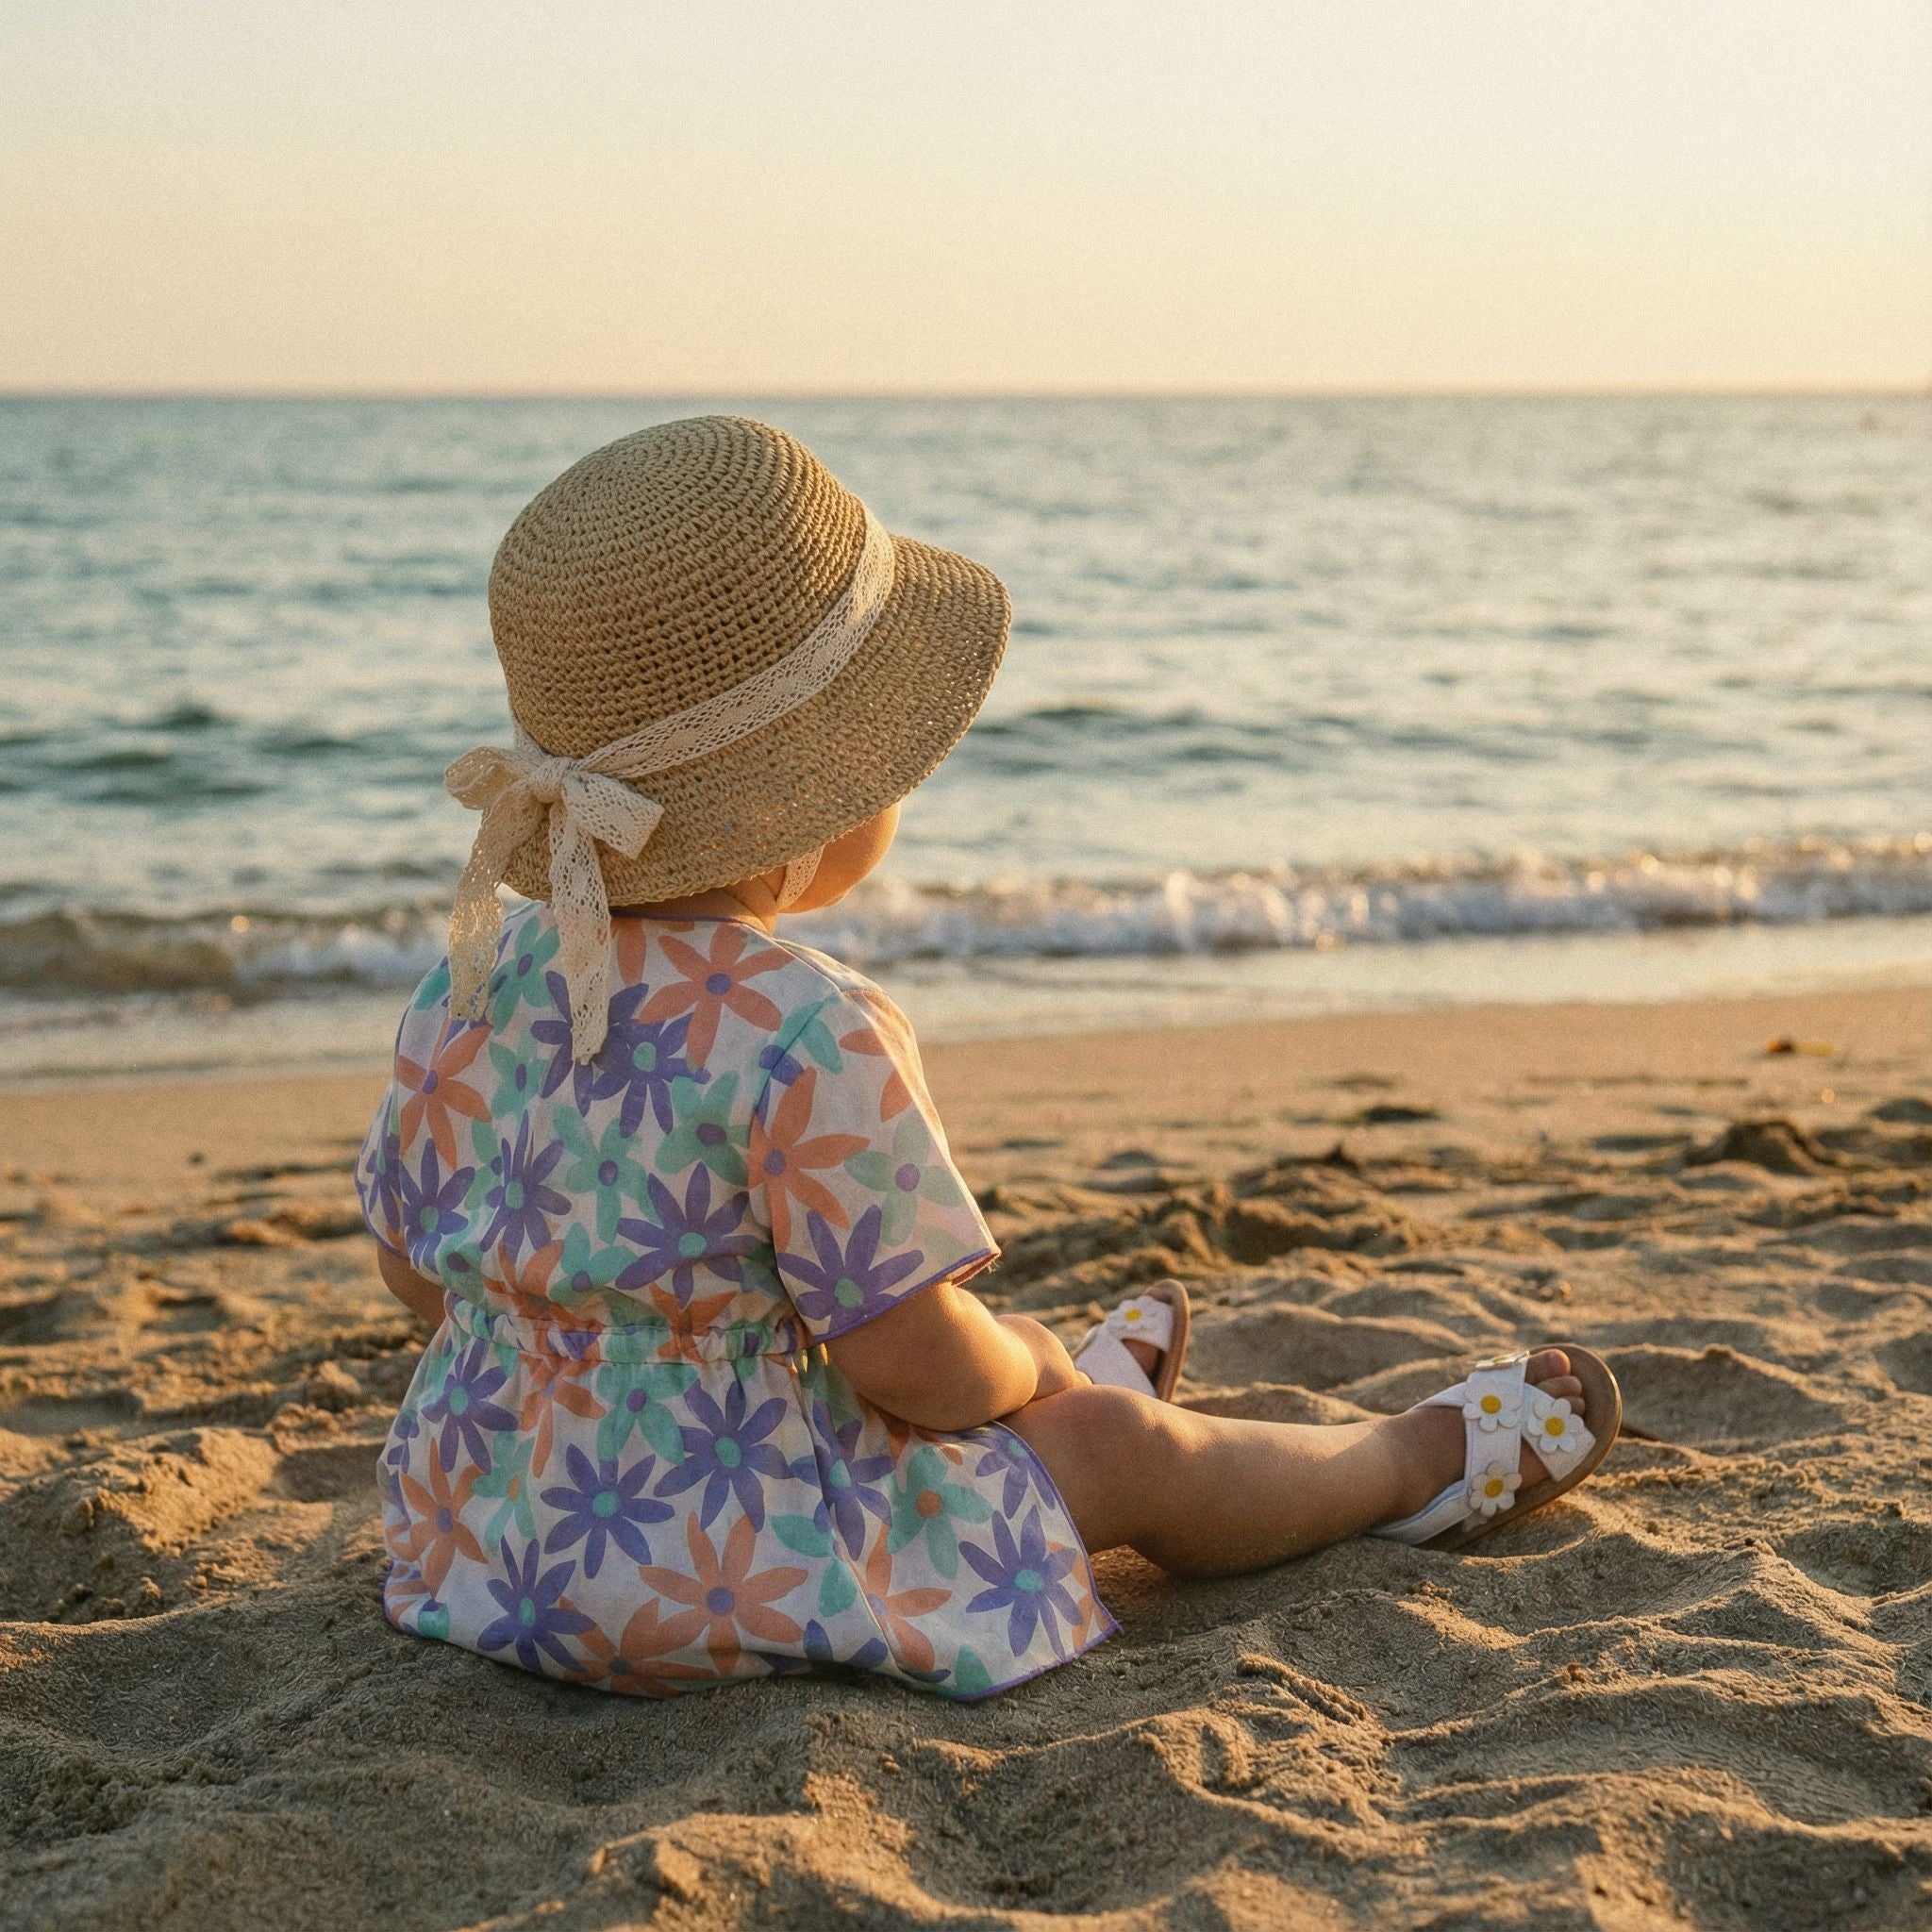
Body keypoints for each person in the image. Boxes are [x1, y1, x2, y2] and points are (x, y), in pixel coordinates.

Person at [358, 415, 1620, 1700]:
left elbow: (419, 1278)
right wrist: (1028, 1360)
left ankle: (1058, 1410)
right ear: (817, 796)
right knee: (1119, 1444)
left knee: (949, 1391)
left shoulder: (463, 984)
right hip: (730, 1569)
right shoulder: (804, 1024)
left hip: (485, 1541)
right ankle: (1402, 1466)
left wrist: (615, 1348)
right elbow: (905, 1359)